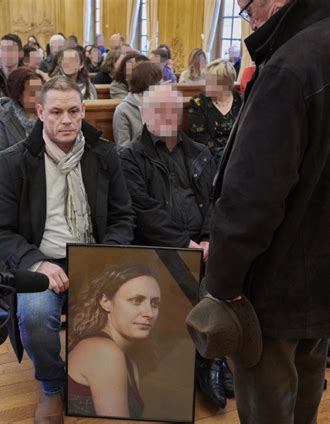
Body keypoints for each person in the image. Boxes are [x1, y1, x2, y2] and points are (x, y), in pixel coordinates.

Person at [203, 0, 330, 423]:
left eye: (248, 7)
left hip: (272, 288)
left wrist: (221, 284)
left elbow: (251, 197)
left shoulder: (289, 66)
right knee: (305, 400)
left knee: (267, 409)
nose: (250, 20)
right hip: (319, 279)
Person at [0, 76, 135, 422]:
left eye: (72, 111)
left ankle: (111, 377)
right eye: (55, 112)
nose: (65, 120)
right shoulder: (15, 162)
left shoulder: (104, 154)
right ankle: (52, 385)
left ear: (83, 111)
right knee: (35, 315)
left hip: (96, 256)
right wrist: (37, 263)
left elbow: (123, 217)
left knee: (141, 301)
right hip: (42, 260)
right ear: (40, 112)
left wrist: (105, 256)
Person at [119, 84, 235, 408]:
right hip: (160, 244)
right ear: (144, 114)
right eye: (158, 110)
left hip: (202, 240)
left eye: (173, 110)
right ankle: (207, 361)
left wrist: (209, 239)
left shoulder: (199, 150)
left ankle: (215, 356)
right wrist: (185, 243)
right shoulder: (130, 156)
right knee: (194, 276)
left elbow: (216, 199)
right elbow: (144, 212)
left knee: (231, 268)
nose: (167, 117)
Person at [68, 263, 161, 419]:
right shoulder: (103, 352)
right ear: (106, 301)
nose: (149, 313)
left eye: (155, 303)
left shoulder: (129, 362)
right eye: (136, 300)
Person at [188, 59, 242, 153]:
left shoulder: (242, 101)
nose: (206, 85)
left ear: (225, 84)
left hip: (238, 154)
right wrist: (223, 155)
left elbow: (247, 132)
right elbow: (199, 137)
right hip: (210, 157)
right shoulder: (198, 102)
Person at [0, 67, 44, 159]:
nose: (39, 96)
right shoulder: (4, 115)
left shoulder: (50, 112)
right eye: (33, 93)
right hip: (18, 170)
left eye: (41, 90)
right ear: (18, 96)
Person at [113, 61, 162, 146]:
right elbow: (122, 149)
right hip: (136, 157)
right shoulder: (123, 110)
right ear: (147, 82)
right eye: (158, 82)